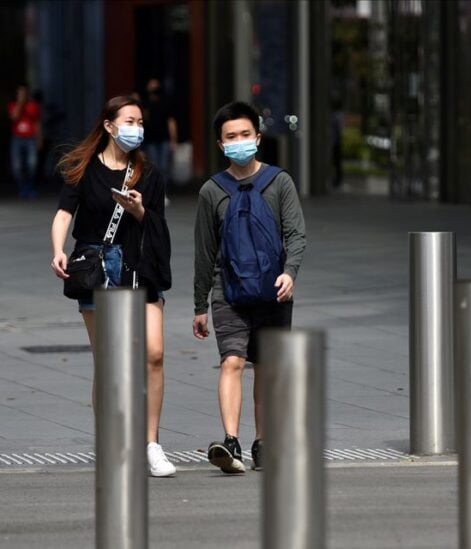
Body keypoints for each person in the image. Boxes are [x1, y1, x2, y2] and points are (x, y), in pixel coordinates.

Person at [49, 95, 176, 477]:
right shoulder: (82, 168)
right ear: (108, 125)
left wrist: (139, 210)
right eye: (129, 121)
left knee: (153, 354)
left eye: (139, 122)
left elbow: (157, 223)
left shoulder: (148, 174)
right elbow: (63, 213)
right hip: (99, 269)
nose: (136, 128)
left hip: (141, 269)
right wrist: (58, 249)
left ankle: (151, 443)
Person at [192, 101, 306, 474]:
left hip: (274, 290)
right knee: (232, 361)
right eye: (230, 137)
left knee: (266, 368)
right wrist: (199, 306)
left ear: (257, 137)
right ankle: (230, 442)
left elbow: (296, 233)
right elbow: (205, 252)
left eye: (245, 134)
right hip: (228, 293)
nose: (239, 141)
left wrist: (289, 273)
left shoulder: (279, 182)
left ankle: (262, 443)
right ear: (221, 145)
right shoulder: (212, 191)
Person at [140, 78, 178, 204]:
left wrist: (173, 140)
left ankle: (163, 193)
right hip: (150, 140)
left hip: (163, 139)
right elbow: (142, 121)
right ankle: (155, 193)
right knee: (154, 167)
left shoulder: (165, 103)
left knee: (163, 167)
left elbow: (171, 122)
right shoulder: (145, 103)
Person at [7, 83, 41, 199]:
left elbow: (37, 123)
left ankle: (30, 188)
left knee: (32, 164)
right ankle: (22, 188)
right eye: (19, 93)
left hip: (30, 138)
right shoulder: (13, 105)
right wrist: (20, 104)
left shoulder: (33, 106)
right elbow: (14, 117)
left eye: (24, 93)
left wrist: (39, 138)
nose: (22, 95)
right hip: (17, 139)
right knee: (17, 166)